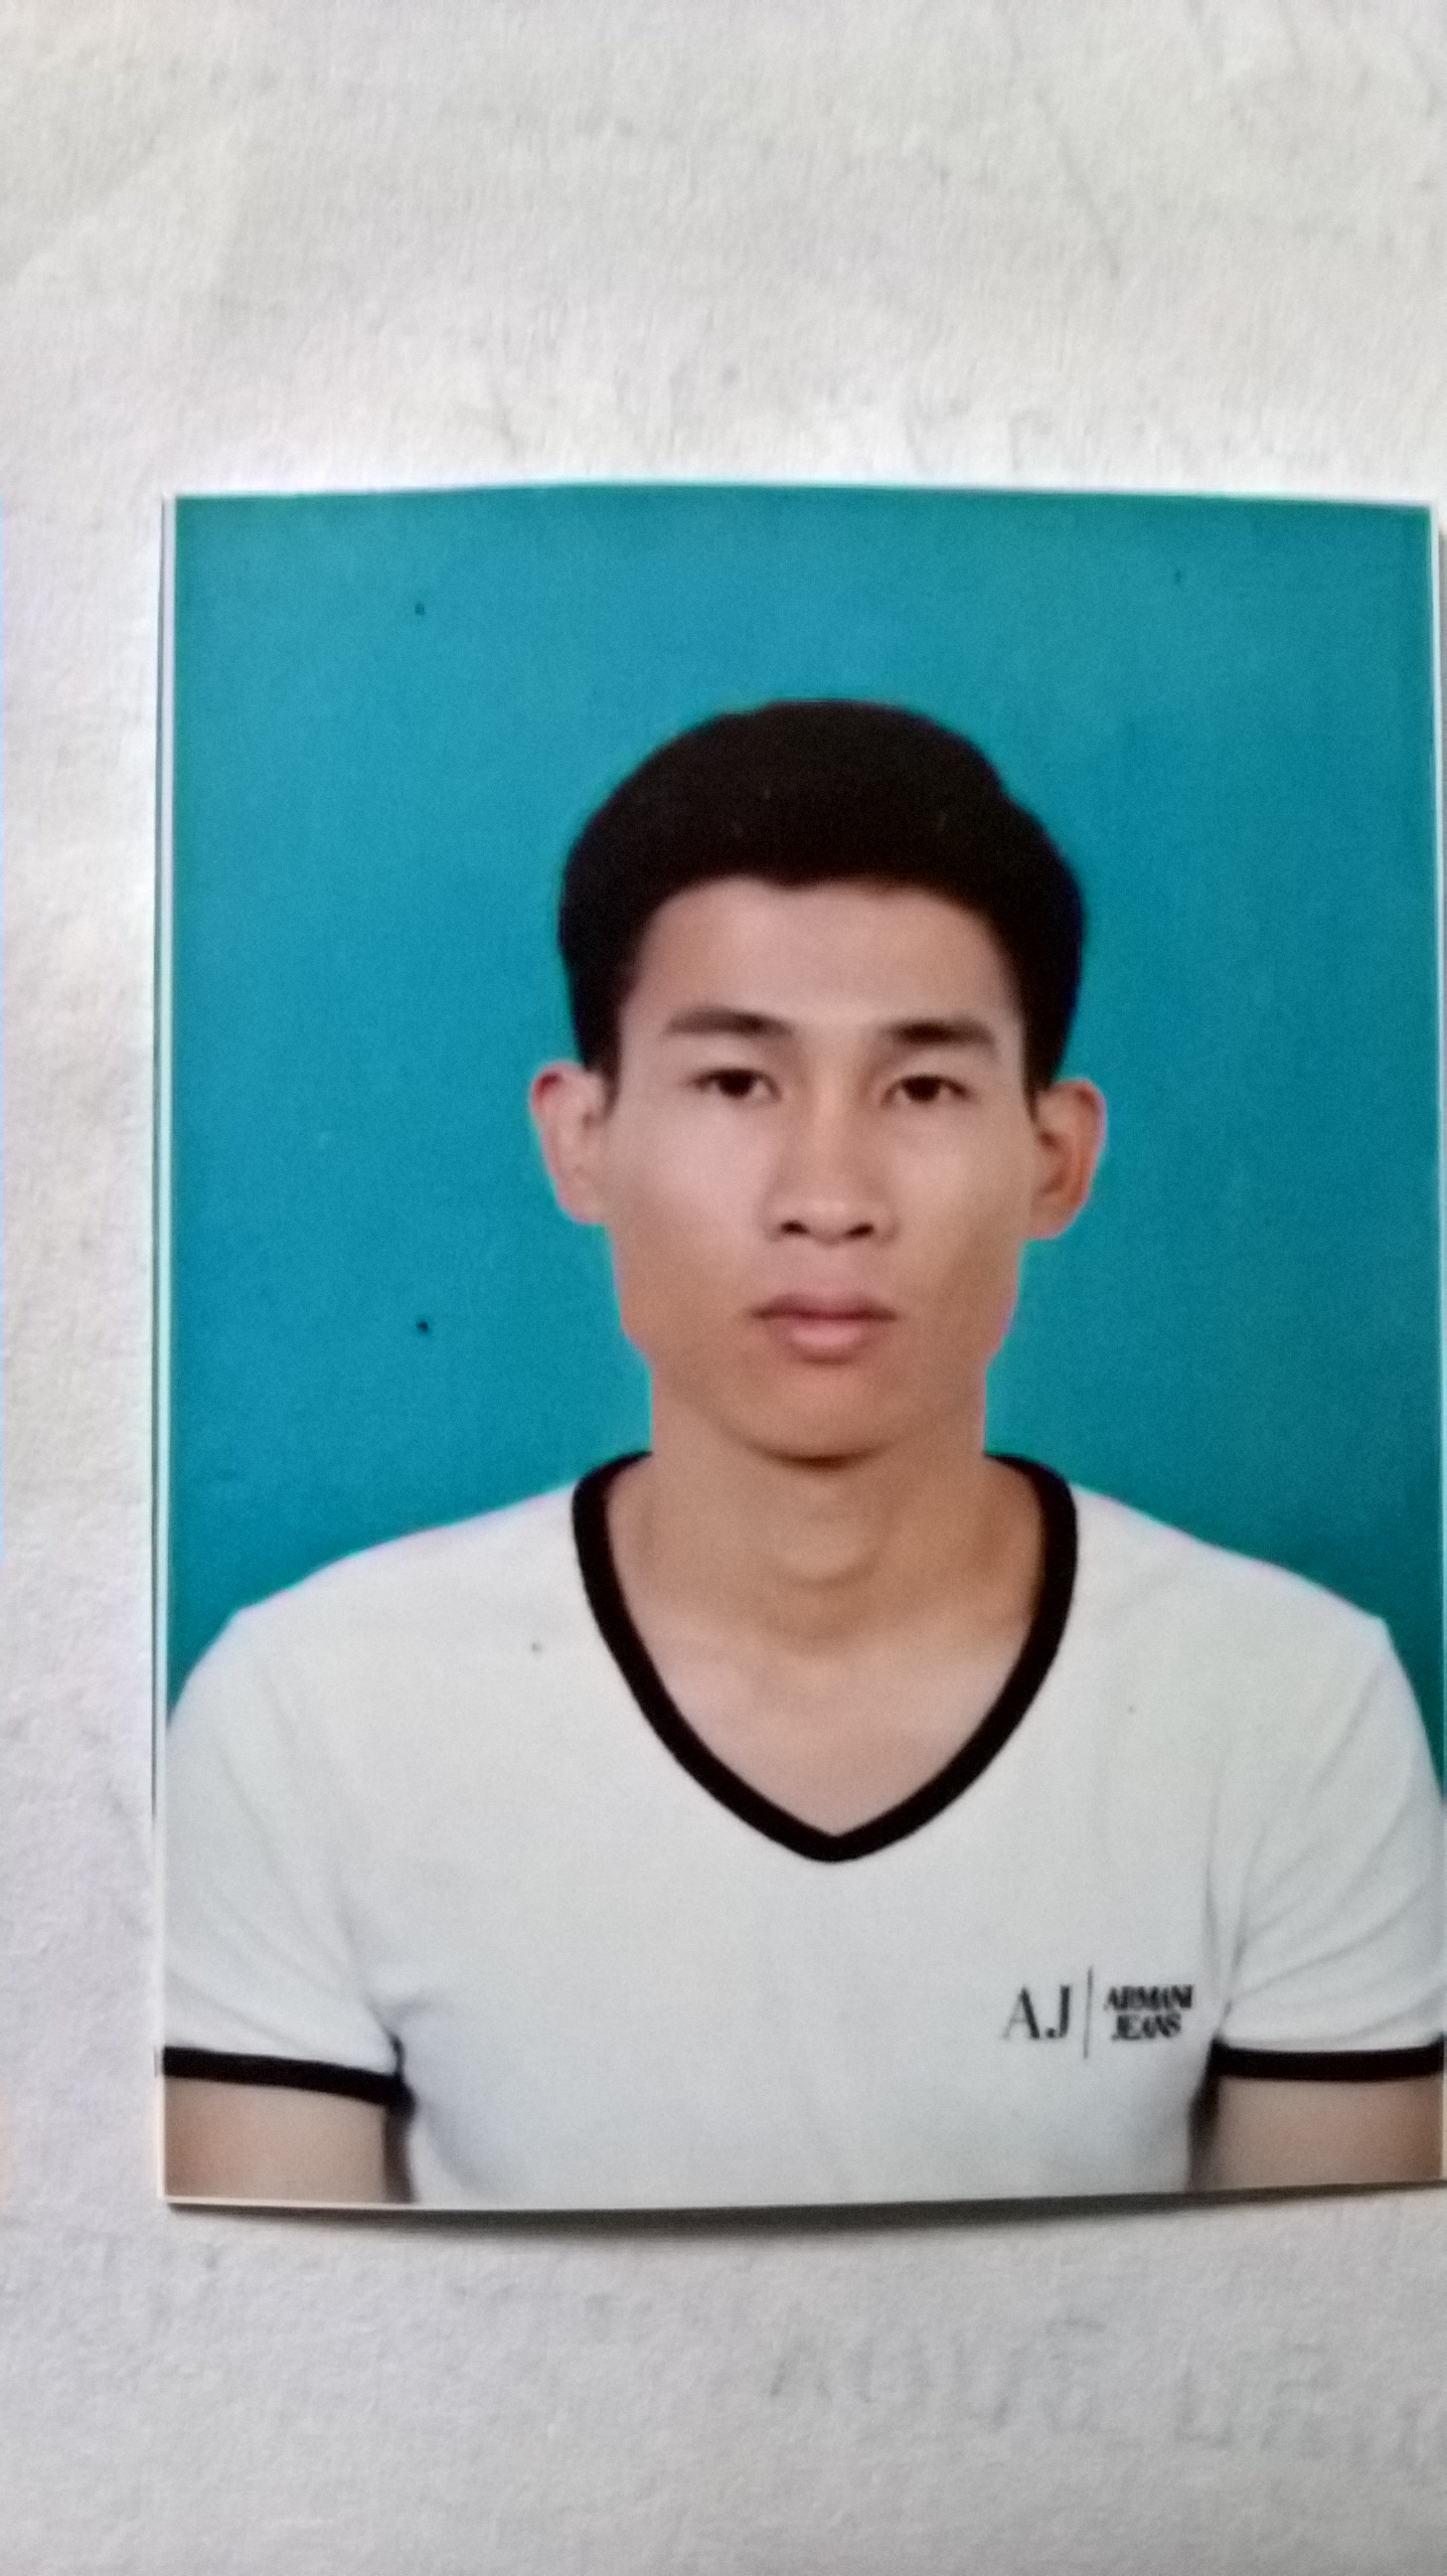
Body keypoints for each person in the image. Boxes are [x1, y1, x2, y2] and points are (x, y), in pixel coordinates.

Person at [163, 700, 1444, 2208]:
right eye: (735, 1082)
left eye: (922, 1088)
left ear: (1056, 1158)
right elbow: (273, 2344)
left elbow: (1323, 2344)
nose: (827, 1197)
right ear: (582, 1137)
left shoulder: (1295, 1706)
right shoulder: (307, 1713)